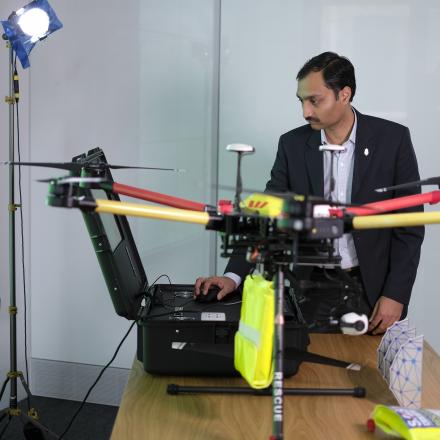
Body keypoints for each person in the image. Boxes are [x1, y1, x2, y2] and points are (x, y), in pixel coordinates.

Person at [195, 52, 424, 334]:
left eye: (314, 100)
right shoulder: (292, 145)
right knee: (313, 372)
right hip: (311, 289)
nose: (305, 111)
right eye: (301, 101)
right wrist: (233, 275)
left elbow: (409, 228)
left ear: (344, 94)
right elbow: (263, 214)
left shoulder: (393, 140)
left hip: (374, 291)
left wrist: (396, 294)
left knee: (369, 374)